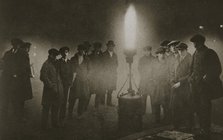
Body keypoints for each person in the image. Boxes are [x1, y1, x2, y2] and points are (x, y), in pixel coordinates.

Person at [189, 34, 222, 139]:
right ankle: (202, 128)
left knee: (205, 108)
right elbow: (192, 68)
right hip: (195, 86)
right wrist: (190, 77)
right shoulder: (195, 53)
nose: (194, 44)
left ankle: (205, 130)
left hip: (205, 87)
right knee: (197, 107)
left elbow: (217, 68)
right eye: (193, 43)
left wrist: (206, 77)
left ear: (200, 42)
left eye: (195, 42)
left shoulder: (210, 52)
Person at [1, 38, 29, 122]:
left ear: (19, 45)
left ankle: (19, 117)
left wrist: (18, 74)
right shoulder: (7, 53)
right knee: (6, 98)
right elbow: (4, 65)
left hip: (19, 80)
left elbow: (25, 66)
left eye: (17, 44)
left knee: (19, 99)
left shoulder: (23, 53)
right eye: (14, 44)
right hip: (7, 80)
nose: (15, 45)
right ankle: (4, 117)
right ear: (12, 44)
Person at [171, 43, 193, 130]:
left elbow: (191, 74)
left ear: (186, 50)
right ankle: (176, 126)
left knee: (187, 107)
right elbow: (172, 72)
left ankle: (189, 127)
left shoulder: (190, 59)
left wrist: (180, 82)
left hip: (186, 86)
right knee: (176, 106)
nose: (180, 52)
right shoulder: (177, 58)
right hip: (176, 86)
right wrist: (172, 81)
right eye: (179, 50)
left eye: (182, 50)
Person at [40, 48, 63, 129]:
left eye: (56, 56)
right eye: (54, 56)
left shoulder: (56, 64)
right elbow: (43, 77)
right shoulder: (46, 64)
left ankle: (55, 123)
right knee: (46, 108)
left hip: (57, 90)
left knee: (56, 107)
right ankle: (44, 125)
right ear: (50, 55)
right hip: (49, 91)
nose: (56, 58)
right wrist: (51, 86)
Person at [69, 44, 90, 119]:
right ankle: (69, 113)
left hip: (84, 81)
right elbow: (70, 69)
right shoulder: (73, 59)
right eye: (80, 49)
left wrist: (87, 77)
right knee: (72, 97)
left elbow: (89, 70)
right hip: (75, 81)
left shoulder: (87, 59)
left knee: (83, 97)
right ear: (78, 50)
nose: (82, 51)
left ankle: (79, 114)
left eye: (83, 50)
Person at [151, 47, 169, 123]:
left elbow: (169, 73)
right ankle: (157, 119)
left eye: (163, 53)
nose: (161, 55)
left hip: (164, 85)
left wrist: (167, 82)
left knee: (165, 102)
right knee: (156, 102)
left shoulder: (167, 62)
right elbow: (150, 73)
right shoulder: (154, 62)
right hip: (156, 85)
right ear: (157, 54)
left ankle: (166, 119)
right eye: (160, 53)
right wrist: (152, 81)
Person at [58, 46, 73, 125]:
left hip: (66, 84)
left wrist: (70, 82)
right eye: (63, 52)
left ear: (68, 53)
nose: (65, 53)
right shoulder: (58, 62)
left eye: (66, 52)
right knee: (59, 99)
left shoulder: (70, 62)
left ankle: (62, 116)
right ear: (61, 53)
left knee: (64, 100)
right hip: (59, 84)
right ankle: (56, 115)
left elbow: (71, 73)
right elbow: (57, 74)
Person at [138, 46, 155, 115]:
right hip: (144, 81)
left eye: (148, 51)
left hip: (152, 81)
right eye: (145, 51)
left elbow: (156, 70)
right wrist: (145, 75)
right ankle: (142, 112)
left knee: (153, 98)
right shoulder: (141, 59)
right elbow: (139, 69)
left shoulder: (154, 59)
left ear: (150, 51)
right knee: (143, 98)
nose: (146, 52)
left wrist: (152, 77)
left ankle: (154, 113)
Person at [88, 42, 105, 108]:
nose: (98, 49)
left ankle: (96, 105)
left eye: (99, 48)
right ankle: (85, 105)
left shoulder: (102, 56)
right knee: (90, 91)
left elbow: (104, 65)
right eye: (96, 48)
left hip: (100, 76)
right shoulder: (90, 56)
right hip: (93, 76)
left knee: (99, 91)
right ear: (94, 48)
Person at [103, 40, 118, 106]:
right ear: (107, 46)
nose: (111, 47)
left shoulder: (115, 55)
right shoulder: (104, 54)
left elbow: (117, 64)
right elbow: (102, 64)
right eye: (109, 46)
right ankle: (102, 102)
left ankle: (109, 102)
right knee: (103, 88)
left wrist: (113, 70)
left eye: (112, 46)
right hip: (105, 74)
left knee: (110, 89)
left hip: (112, 74)